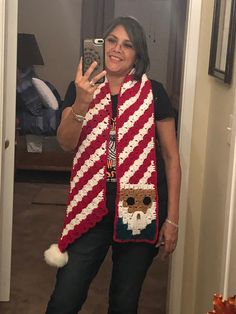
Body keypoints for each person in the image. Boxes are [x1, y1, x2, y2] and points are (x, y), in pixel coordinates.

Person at [44, 16, 181, 314]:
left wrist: (172, 220)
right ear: (102, 45)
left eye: (127, 44)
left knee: (124, 301)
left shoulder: (154, 92)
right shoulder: (81, 87)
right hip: (91, 200)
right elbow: (66, 143)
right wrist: (82, 101)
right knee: (65, 297)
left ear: (138, 54)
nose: (117, 49)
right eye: (112, 41)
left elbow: (171, 158)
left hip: (139, 203)